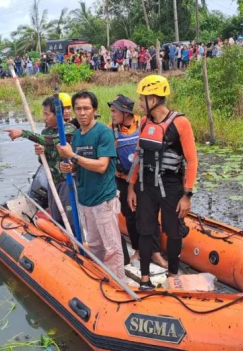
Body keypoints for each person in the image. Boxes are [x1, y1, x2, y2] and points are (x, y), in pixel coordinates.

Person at [127, 75, 198, 290]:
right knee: (146, 230)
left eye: (143, 98)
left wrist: (187, 195)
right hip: (146, 185)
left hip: (171, 185)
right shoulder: (145, 122)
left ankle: (173, 274)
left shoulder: (180, 123)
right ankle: (146, 278)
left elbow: (192, 160)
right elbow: (139, 155)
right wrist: (131, 186)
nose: (140, 102)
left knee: (173, 231)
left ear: (154, 99)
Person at [57, 90, 126, 280]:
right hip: (85, 199)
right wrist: (68, 166)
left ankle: (119, 283)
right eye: (78, 108)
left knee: (112, 247)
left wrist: (72, 156)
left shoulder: (103, 132)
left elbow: (102, 166)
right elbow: (78, 166)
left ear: (94, 110)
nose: (82, 112)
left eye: (86, 108)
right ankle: (100, 279)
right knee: (94, 245)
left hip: (103, 199)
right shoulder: (77, 136)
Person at [108, 94, 167, 268]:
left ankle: (155, 253)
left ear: (125, 112)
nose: (111, 114)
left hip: (144, 178)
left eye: (114, 111)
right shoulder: (110, 129)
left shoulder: (143, 124)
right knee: (130, 216)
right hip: (122, 179)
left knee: (150, 215)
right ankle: (138, 249)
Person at [5, 97, 77, 226]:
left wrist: (23, 133)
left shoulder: (69, 129)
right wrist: (41, 153)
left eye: (47, 114)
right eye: (43, 114)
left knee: (70, 216)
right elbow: (44, 160)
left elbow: (51, 141)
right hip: (52, 181)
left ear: (57, 114)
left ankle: (78, 242)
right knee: (56, 215)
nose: (44, 118)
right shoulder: (46, 131)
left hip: (67, 181)